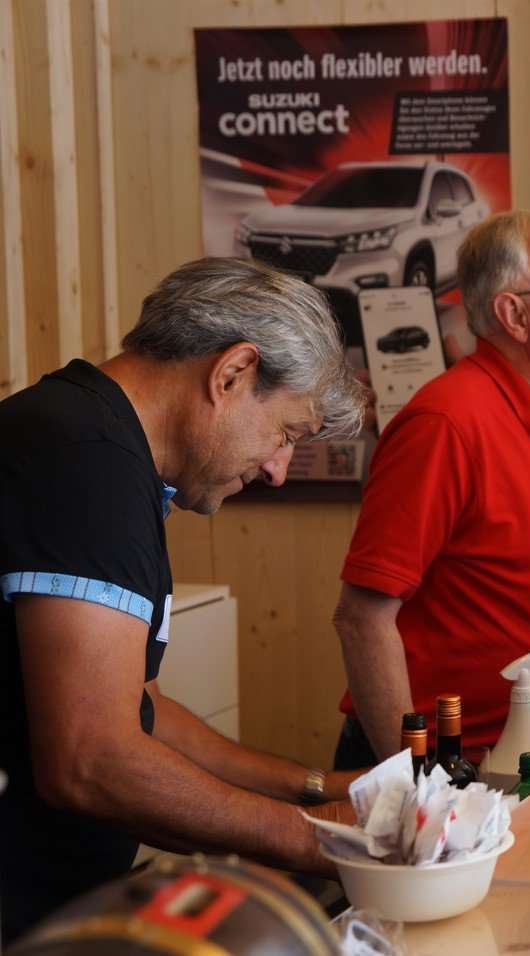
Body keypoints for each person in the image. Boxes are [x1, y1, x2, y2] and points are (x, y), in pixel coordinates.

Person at [0, 257, 368, 942]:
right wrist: (314, 842)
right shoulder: (86, 462)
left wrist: (312, 788)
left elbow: (141, 708)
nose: (277, 471)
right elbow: (92, 757)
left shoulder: (106, 452)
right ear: (231, 374)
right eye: (286, 434)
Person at [332, 207, 530, 771]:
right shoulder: (447, 423)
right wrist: (420, 778)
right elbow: (361, 618)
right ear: (515, 315)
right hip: (457, 770)